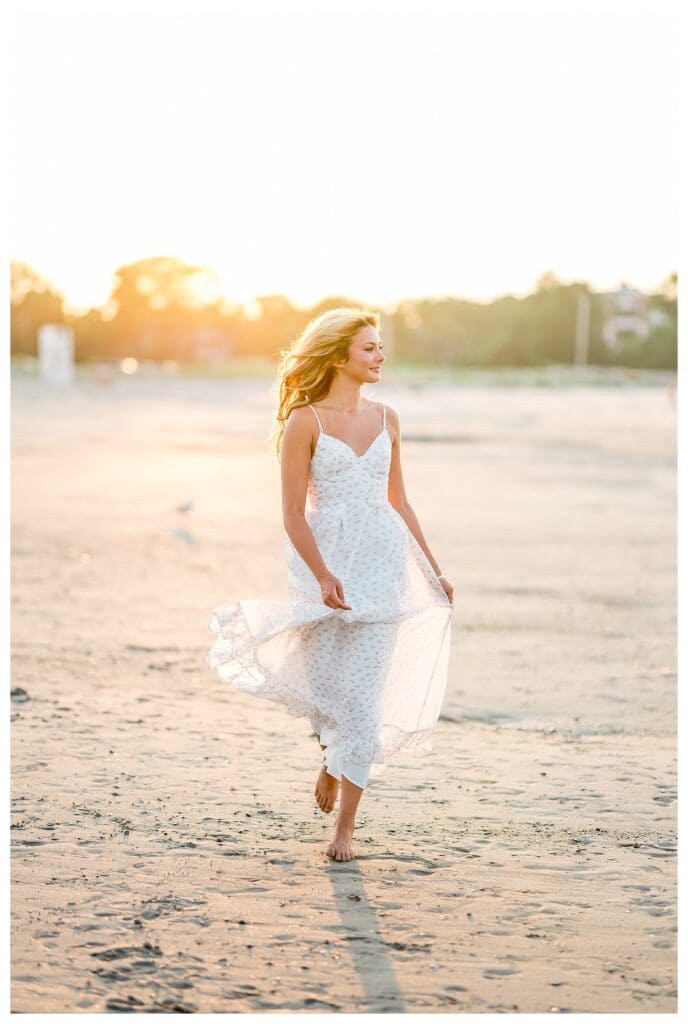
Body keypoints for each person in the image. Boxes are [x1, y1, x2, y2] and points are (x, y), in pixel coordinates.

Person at [206, 307, 455, 862]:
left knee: (363, 705)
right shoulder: (305, 421)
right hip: (325, 568)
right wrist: (322, 574)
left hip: (384, 568)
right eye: (369, 348)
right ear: (339, 356)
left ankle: (344, 827)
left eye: (381, 347)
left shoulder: (389, 417)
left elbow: (400, 501)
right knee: (330, 688)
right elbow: (293, 514)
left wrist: (433, 570)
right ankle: (329, 756)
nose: (380, 356)